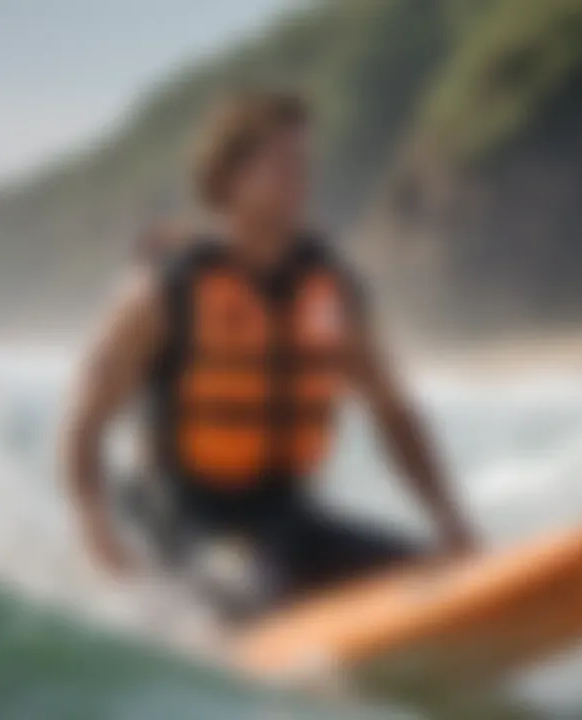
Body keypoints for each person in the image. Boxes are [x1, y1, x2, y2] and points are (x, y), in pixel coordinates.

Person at [61, 90, 475, 616]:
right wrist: (96, 530)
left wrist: (450, 520)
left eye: (305, 161)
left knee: (434, 576)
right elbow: (84, 419)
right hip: (191, 520)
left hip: (288, 516)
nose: (301, 175)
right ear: (228, 177)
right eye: (282, 162)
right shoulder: (164, 294)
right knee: (247, 590)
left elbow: (393, 412)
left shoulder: (331, 292)